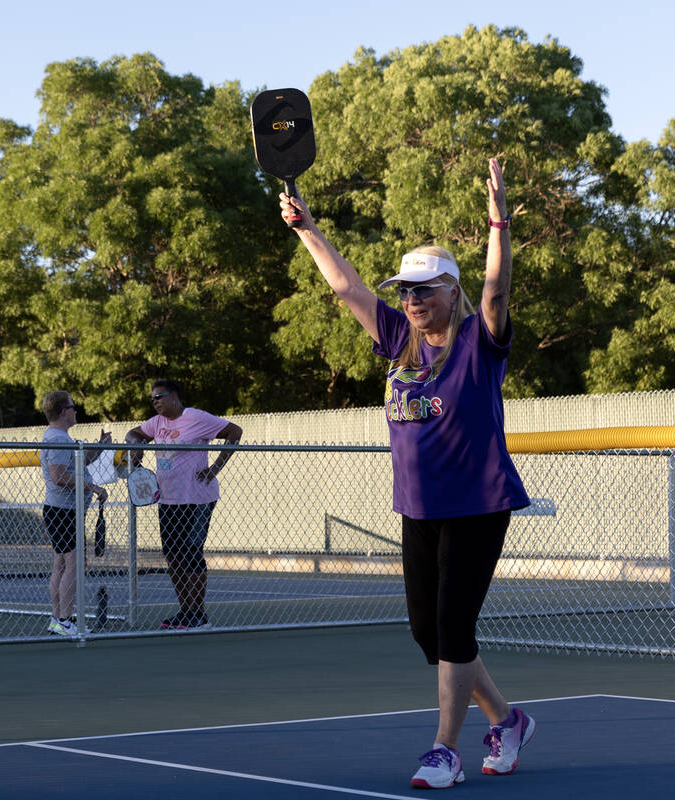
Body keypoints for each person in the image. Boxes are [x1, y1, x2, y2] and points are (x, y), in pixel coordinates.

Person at [279, 158, 534, 789]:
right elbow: (347, 289)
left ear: (452, 291)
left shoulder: (478, 343)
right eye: (406, 291)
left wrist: (498, 223)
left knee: (453, 623)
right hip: (417, 507)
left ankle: (444, 748)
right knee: (429, 632)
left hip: (478, 502)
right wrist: (308, 228)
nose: (412, 299)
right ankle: (507, 719)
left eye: (425, 289)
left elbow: (498, 290)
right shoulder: (398, 340)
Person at [124, 380, 242, 630]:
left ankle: (199, 615)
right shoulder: (157, 423)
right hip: (167, 499)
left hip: (196, 498)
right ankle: (186, 611)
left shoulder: (195, 417)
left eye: (159, 397)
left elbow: (235, 432)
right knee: (173, 555)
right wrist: (136, 445)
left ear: (174, 396)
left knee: (191, 553)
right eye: (152, 399)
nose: (155, 402)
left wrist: (215, 469)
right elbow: (134, 433)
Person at [39, 390, 109, 635]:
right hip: (63, 511)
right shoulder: (57, 439)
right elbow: (59, 476)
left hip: (64, 511)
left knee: (61, 564)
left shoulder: (61, 438)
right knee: (74, 563)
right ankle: (65, 620)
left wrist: (99, 448)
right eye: (72, 406)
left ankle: (58, 620)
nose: (76, 410)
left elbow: (76, 465)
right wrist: (92, 486)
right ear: (63, 411)